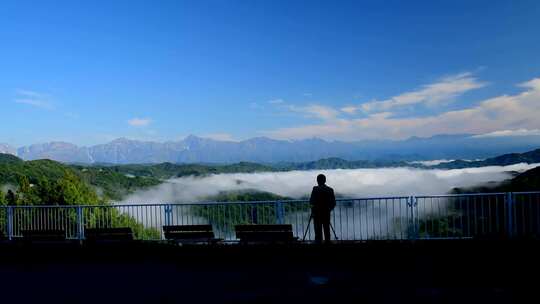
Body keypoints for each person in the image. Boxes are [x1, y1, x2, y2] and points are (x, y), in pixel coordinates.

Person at [309, 174, 336, 243]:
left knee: (318, 232)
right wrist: (329, 209)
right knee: (327, 230)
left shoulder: (315, 189)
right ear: (325, 180)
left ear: (317, 181)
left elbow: (311, 201)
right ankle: (327, 243)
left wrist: (314, 208)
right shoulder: (330, 190)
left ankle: (318, 243)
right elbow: (333, 203)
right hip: (326, 213)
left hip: (317, 213)